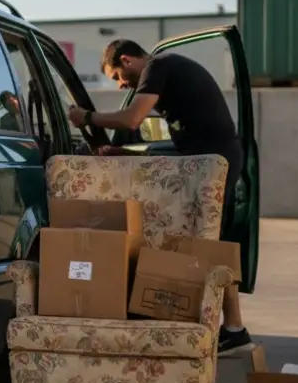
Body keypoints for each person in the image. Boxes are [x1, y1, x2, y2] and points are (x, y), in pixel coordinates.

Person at [67, 39, 254, 356]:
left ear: (127, 60)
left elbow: (131, 119)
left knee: (211, 244)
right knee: (209, 241)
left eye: (117, 76)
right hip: (205, 158)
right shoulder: (168, 71)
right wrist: (125, 151)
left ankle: (234, 328)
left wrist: (87, 118)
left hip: (214, 162)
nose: (121, 84)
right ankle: (228, 327)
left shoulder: (157, 66)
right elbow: (179, 144)